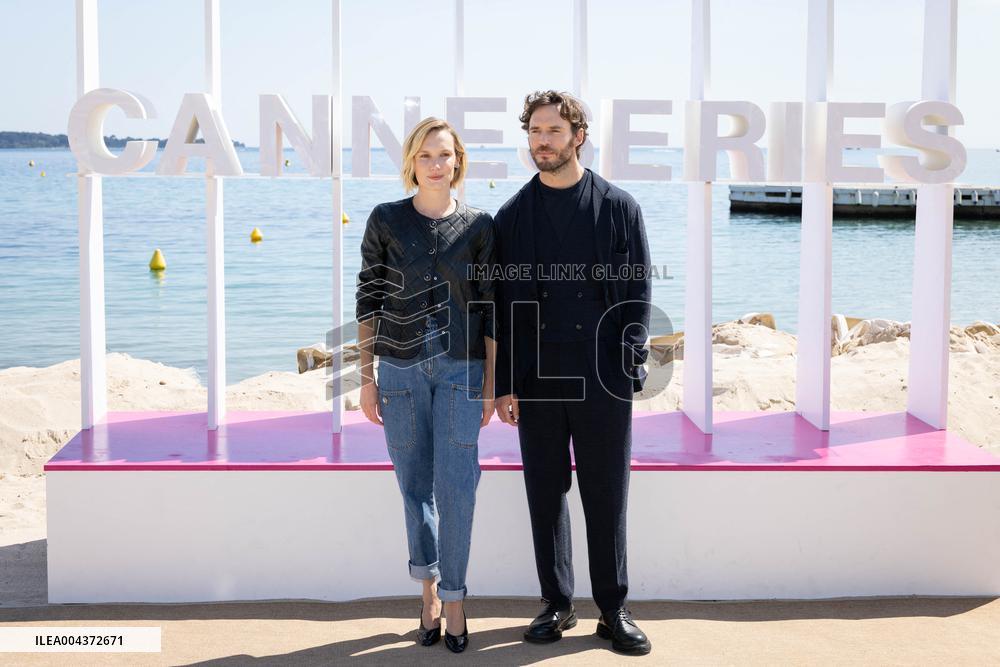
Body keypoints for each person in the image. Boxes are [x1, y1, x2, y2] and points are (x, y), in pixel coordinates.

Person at [493, 91, 653, 656]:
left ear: (577, 136)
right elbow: (506, 304)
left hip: (602, 374)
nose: (543, 141)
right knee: (545, 491)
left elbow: (637, 294)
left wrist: (631, 363)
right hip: (538, 378)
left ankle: (614, 610)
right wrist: (505, 383)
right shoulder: (512, 216)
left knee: (606, 492)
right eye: (535, 131)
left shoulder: (618, 207)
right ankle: (557, 603)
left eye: (554, 131)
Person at [356, 116, 496, 654]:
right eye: (426, 156)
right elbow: (367, 302)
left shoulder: (481, 226)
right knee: (414, 485)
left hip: (462, 371)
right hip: (398, 368)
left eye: (445, 155)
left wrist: (491, 386)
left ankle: (457, 598)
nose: (436, 165)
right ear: (412, 163)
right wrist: (366, 378)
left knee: (457, 487)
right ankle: (429, 591)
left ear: (458, 160)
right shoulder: (385, 219)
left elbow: (492, 311)